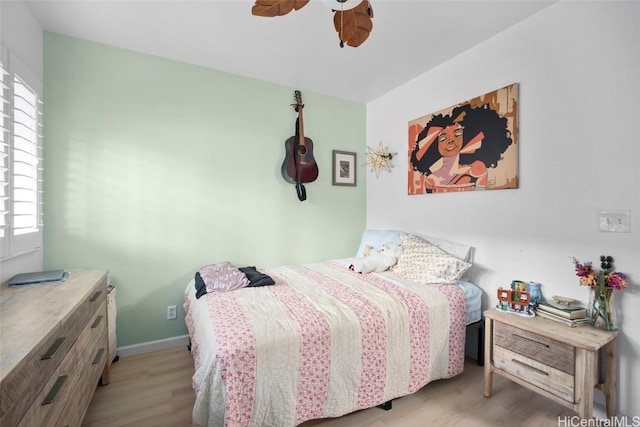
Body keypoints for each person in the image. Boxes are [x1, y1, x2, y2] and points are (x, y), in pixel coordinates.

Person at [410, 104, 513, 193]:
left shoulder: (476, 170)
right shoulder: (431, 180)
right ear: (434, 144)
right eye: (443, 138)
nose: (450, 141)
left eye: (458, 134)